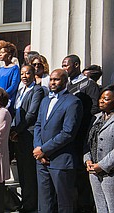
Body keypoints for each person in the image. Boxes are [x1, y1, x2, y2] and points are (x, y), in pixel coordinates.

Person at [33, 69, 83, 213]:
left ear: (65, 81)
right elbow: (38, 125)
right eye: (51, 79)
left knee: (64, 203)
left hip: (61, 161)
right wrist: (38, 148)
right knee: (44, 203)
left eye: (57, 80)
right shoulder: (45, 100)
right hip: (41, 161)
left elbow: (68, 133)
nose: (53, 82)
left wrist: (44, 150)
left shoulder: (73, 102)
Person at [62, 54, 100, 211]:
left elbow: (93, 109)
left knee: (82, 173)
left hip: (81, 134)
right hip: (68, 135)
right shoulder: (65, 85)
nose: (64, 68)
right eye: (63, 65)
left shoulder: (88, 85)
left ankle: (85, 205)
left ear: (76, 65)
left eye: (67, 65)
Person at [10, 65, 44, 212]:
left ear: (33, 74)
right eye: (22, 73)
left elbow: (31, 114)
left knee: (29, 173)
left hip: (27, 135)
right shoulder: (20, 89)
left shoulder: (37, 90)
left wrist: (16, 131)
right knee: (22, 172)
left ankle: (30, 205)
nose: (24, 76)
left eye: (27, 73)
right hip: (18, 134)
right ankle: (25, 201)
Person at [84, 85, 114, 213]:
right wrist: (88, 160)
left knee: (111, 205)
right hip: (94, 170)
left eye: (106, 99)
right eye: (101, 98)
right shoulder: (96, 117)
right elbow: (87, 142)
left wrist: (102, 165)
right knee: (100, 206)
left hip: (109, 171)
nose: (101, 101)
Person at [0, 41, 20, 117]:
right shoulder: (0, 69)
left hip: (7, 99)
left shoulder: (15, 68)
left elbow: (14, 86)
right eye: (0, 52)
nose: (0, 54)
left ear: (9, 54)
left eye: (2, 52)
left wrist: (3, 96)